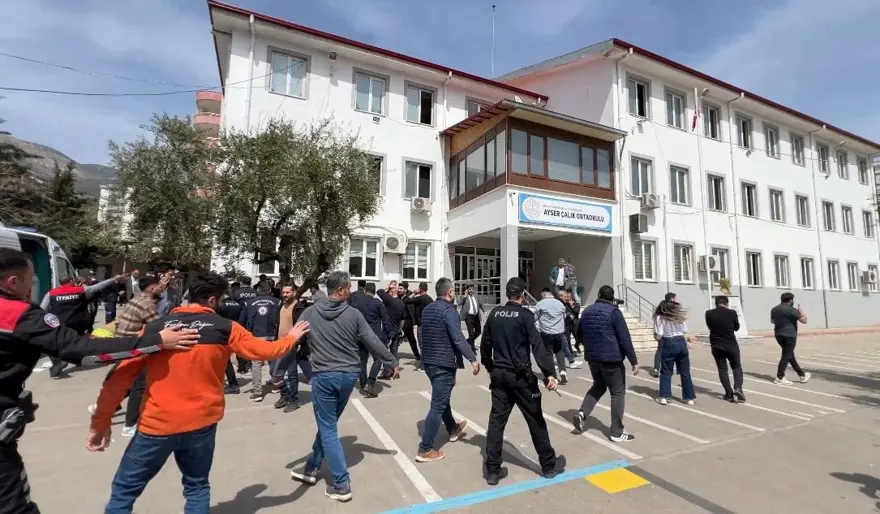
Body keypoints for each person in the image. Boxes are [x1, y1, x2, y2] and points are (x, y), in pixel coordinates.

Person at [88, 272, 311, 513]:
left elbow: (119, 378)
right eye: (222, 299)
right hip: (201, 423)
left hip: (157, 424)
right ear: (212, 300)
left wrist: (101, 422)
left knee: (124, 490)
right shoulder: (225, 328)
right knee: (196, 487)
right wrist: (291, 338)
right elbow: (266, 351)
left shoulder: (156, 328)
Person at [0, 248, 199, 513]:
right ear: (13, 282)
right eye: (31, 279)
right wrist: (157, 341)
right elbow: (82, 352)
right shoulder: (18, 314)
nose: (33, 285)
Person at [289, 271, 399, 503]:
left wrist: (277, 370)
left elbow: (291, 341)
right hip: (348, 377)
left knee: (328, 428)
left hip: (324, 377)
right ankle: (311, 467)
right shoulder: (353, 314)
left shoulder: (310, 312)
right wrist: (391, 360)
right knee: (328, 425)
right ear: (339, 290)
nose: (351, 291)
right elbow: (373, 340)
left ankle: (341, 484)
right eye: (348, 287)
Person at [481, 277, 564, 485]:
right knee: (535, 420)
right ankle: (548, 465)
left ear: (507, 293)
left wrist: (490, 367)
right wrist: (549, 373)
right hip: (521, 377)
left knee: (496, 422)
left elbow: (485, 345)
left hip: (500, 375)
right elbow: (537, 346)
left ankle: (492, 470)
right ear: (523, 294)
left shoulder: (495, 314)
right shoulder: (526, 316)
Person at [88, 274, 170, 437]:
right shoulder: (147, 304)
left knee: (126, 380)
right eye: (159, 286)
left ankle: (106, 406)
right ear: (151, 288)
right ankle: (130, 425)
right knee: (139, 385)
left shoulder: (136, 298)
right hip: (135, 348)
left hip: (123, 344)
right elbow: (157, 326)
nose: (161, 289)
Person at [415, 278, 479, 463]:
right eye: (454, 290)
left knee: (442, 398)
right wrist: (472, 358)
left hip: (429, 362)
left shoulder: (428, 310)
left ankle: (452, 428)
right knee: (438, 405)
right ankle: (425, 449)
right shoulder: (449, 311)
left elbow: (423, 335)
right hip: (442, 363)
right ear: (450, 292)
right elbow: (458, 337)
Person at [574, 285, 638, 443]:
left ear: (598, 294)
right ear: (612, 297)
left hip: (593, 358)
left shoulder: (587, 311)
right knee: (617, 392)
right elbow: (624, 338)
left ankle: (582, 413)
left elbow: (579, 333)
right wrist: (633, 360)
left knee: (598, 386)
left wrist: (586, 346)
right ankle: (617, 432)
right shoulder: (614, 312)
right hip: (612, 359)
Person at [40, 273, 125, 378]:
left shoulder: (51, 293)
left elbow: (42, 309)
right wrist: (113, 279)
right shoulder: (81, 290)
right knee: (78, 342)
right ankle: (78, 360)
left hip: (61, 323)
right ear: (71, 281)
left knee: (54, 343)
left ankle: (58, 361)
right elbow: (98, 286)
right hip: (79, 322)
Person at [270, 285, 313, 412]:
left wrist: (299, 342)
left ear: (294, 293)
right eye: (283, 292)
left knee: (292, 375)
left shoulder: (298, 307)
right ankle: (284, 394)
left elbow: (303, 326)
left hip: (293, 345)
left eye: (287, 292)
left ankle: (294, 400)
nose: (285, 294)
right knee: (274, 372)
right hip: (280, 345)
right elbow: (278, 325)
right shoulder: (281, 306)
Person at [349, 282, 394, 397]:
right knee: (378, 359)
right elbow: (385, 320)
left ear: (365, 291)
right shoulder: (378, 303)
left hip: (360, 336)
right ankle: (370, 382)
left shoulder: (356, 304)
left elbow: (350, 319)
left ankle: (363, 384)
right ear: (374, 292)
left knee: (362, 361)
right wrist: (388, 336)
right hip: (375, 336)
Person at [239, 280, 282, 402]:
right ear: (270, 290)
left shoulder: (249, 303)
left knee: (256, 364)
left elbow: (241, 321)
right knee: (273, 361)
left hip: (256, 336)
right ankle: (276, 385)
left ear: (258, 290)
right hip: (272, 335)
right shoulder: (277, 302)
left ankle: (257, 392)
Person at [654, 300, 696, 405]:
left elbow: (659, 334)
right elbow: (685, 330)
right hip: (681, 342)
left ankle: (664, 396)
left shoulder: (660, 318)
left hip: (669, 342)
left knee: (666, 371)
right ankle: (689, 397)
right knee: (685, 372)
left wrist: (657, 338)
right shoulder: (680, 317)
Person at [705, 296, 745, 403]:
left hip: (716, 344)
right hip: (730, 343)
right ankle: (738, 388)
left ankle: (729, 393)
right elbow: (736, 327)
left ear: (716, 303)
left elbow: (710, 326)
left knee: (722, 369)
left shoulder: (708, 313)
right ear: (727, 303)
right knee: (736, 366)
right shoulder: (732, 313)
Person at [770, 292, 810, 385]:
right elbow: (804, 320)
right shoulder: (792, 310)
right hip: (789, 336)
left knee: (789, 355)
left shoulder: (774, 309)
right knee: (786, 355)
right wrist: (801, 311)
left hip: (778, 335)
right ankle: (780, 377)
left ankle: (802, 375)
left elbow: (772, 321)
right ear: (791, 300)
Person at [534, 288, 569, 384]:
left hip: (546, 332)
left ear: (543, 295)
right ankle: (562, 371)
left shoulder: (540, 304)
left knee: (549, 353)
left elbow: (535, 318)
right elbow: (564, 316)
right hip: (559, 331)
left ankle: (553, 376)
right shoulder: (559, 303)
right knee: (559, 351)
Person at [377, 281, 406, 379]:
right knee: (394, 351)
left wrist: (388, 286)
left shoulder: (389, 300)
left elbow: (379, 291)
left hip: (387, 330)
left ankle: (387, 372)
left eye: (390, 290)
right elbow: (402, 320)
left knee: (384, 351)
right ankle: (395, 371)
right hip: (396, 330)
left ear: (392, 292)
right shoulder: (401, 303)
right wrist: (400, 330)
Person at [403, 282, 433, 372]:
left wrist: (414, 293)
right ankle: (429, 363)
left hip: (422, 325)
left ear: (420, 289)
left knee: (422, 345)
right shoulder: (430, 299)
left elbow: (406, 300)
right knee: (427, 345)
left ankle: (423, 366)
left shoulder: (420, 298)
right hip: (429, 324)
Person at [217, 290, 243, 395]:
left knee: (225, 360)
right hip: (235, 331)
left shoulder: (221, 305)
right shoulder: (237, 304)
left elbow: (217, 318)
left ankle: (233, 384)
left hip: (223, 332)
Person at [232, 276, 257, 374]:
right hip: (253, 320)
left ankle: (242, 367)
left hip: (240, 320)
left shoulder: (236, 293)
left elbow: (234, 306)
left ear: (241, 282)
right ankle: (251, 363)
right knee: (252, 342)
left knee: (240, 343)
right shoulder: (255, 292)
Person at [651, 292, 678, 378]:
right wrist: (658, 335)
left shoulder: (663, 308)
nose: (676, 300)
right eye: (675, 298)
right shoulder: (667, 308)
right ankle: (660, 368)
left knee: (663, 350)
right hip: (664, 334)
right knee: (666, 350)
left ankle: (660, 368)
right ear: (671, 299)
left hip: (663, 333)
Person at [457, 284, 485, 355]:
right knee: (471, 333)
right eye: (469, 289)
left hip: (476, 316)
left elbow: (481, 304)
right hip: (468, 317)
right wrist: (465, 296)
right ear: (467, 290)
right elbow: (459, 303)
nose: (471, 290)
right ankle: (472, 348)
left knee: (478, 332)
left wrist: (484, 311)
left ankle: (468, 341)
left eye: (472, 289)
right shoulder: (464, 297)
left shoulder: (476, 297)